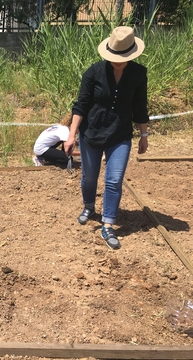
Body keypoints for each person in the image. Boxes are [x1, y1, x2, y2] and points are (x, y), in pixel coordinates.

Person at [64, 26, 149, 250]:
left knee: (114, 180)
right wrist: (71, 134)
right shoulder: (93, 72)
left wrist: (144, 134)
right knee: (89, 177)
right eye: (113, 57)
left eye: (121, 58)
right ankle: (89, 206)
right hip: (91, 132)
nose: (117, 62)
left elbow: (140, 107)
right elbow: (80, 105)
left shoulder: (139, 74)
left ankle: (108, 225)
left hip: (120, 133)